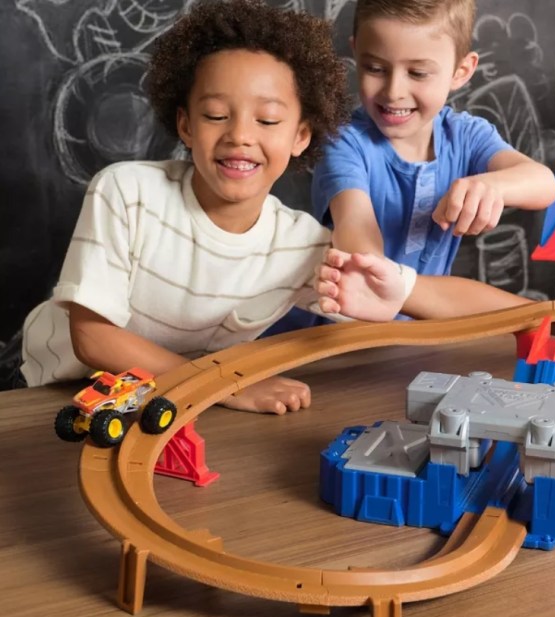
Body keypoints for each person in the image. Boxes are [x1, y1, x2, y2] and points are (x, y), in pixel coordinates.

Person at [19, 0, 410, 415]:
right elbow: (93, 337)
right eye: (216, 115)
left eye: (268, 121)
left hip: (183, 397)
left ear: (300, 136)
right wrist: (225, 384)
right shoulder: (126, 192)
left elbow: (455, 304)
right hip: (58, 395)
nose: (240, 135)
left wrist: (397, 299)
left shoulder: (301, 246)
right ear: (186, 125)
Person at [310, 0, 555, 276]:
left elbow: (544, 184)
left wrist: (490, 186)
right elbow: (358, 237)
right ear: (356, 53)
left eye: (417, 73)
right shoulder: (344, 142)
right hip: (354, 318)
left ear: (461, 72)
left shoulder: (466, 135)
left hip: (426, 317)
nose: (394, 91)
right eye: (375, 68)